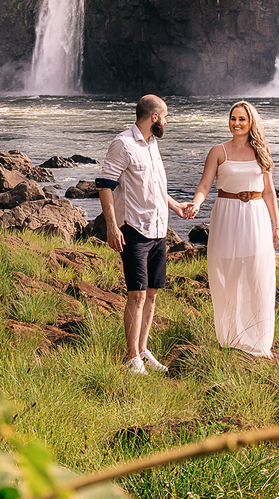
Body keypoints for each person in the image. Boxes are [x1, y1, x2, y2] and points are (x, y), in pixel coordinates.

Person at [96, 95, 192, 375]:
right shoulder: (123, 144)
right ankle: (131, 359)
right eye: (166, 117)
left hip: (158, 230)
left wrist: (175, 206)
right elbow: (105, 186)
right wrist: (112, 226)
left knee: (151, 295)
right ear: (154, 117)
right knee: (136, 295)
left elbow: (154, 186)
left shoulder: (152, 144)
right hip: (134, 229)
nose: (167, 122)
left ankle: (143, 350)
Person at [188, 101, 279, 358]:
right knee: (227, 275)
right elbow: (205, 185)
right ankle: (230, 337)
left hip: (255, 215)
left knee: (257, 275)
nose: (236, 123)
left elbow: (269, 192)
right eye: (233, 118)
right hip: (226, 214)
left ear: (251, 122)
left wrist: (277, 225)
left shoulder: (261, 152)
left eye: (242, 119)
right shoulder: (218, 151)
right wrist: (196, 203)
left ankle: (259, 341)